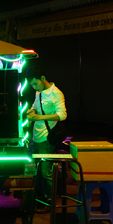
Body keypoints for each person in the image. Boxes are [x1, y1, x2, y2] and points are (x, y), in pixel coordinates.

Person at [25, 64, 68, 205]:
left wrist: (39, 118)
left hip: (46, 139)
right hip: (35, 138)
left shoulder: (56, 93)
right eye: (31, 85)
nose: (34, 87)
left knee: (46, 172)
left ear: (43, 78)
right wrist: (31, 111)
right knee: (36, 172)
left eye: (35, 83)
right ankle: (41, 198)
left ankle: (51, 201)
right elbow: (36, 107)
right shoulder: (39, 92)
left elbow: (62, 115)